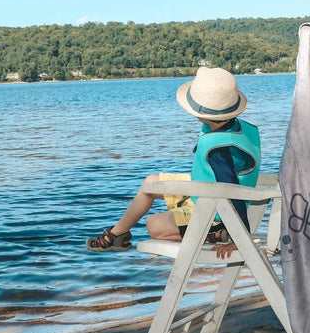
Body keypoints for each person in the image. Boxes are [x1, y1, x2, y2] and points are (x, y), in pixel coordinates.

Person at [86, 67, 261, 259]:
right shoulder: (239, 129)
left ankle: (216, 233)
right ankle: (117, 234)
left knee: (154, 225)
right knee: (150, 182)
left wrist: (240, 236)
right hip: (206, 191)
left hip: (216, 209)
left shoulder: (218, 150)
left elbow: (231, 190)